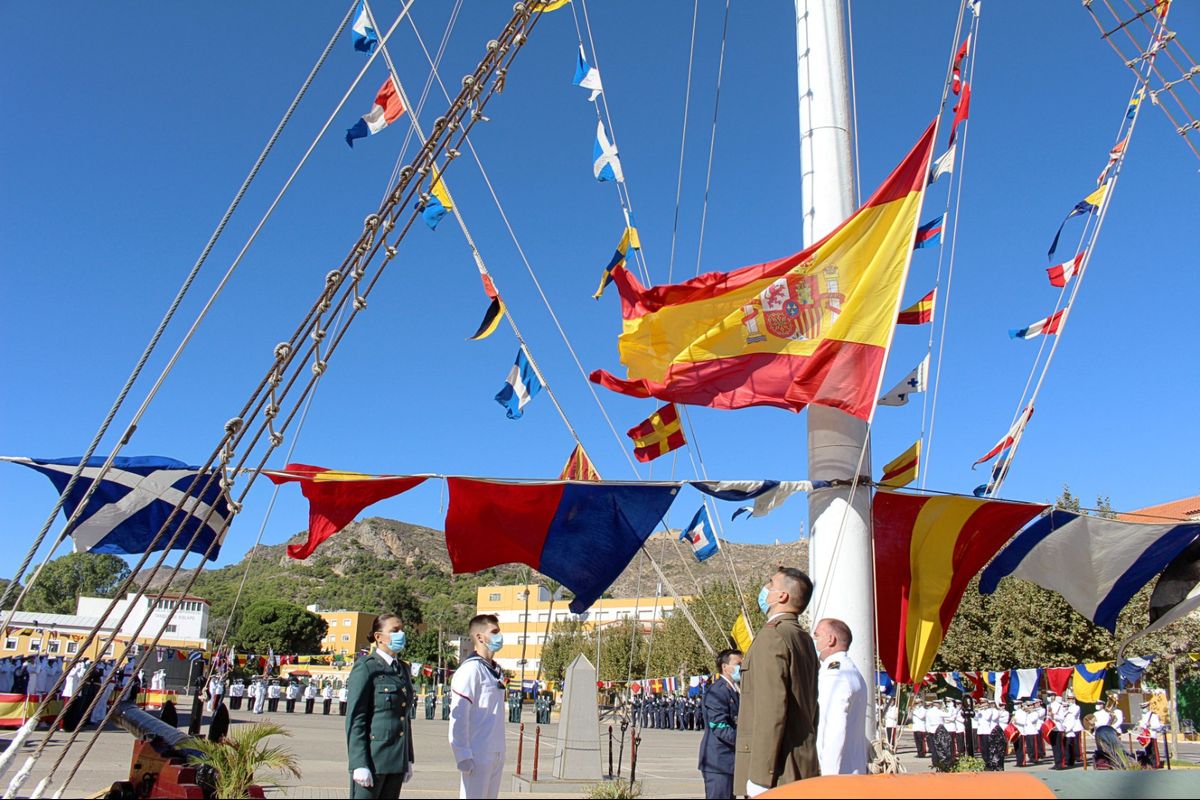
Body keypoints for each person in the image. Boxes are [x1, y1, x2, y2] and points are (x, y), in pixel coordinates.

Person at [733, 568, 820, 797]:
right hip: (801, 760)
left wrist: (761, 775)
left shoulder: (773, 636)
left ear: (782, 596)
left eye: (771, 584)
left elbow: (771, 710)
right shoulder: (802, 638)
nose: (765, 589)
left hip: (779, 770)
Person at [345, 613, 415, 799]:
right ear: (378, 637)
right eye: (395, 631)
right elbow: (356, 718)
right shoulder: (367, 667)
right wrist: (359, 762)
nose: (401, 634)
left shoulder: (403, 669)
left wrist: (407, 757)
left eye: (402, 630)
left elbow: (404, 717)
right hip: (372, 760)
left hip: (396, 760)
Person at [449, 614, 507, 800]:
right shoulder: (470, 670)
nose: (500, 637)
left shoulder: (493, 670)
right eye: (495, 632)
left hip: (496, 749)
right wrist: (462, 753)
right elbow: (458, 715)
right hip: (477, 751)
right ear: (480, 637)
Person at [814, 617, 868, 775]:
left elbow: (834, 728)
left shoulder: (835, 675)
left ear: (830, 640)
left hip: (838, 772)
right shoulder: (847, 670)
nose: (814, 641)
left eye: (817, 636)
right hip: (849, 768)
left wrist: (828, 775)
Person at [698, 648, 741, 799]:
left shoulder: (734, 689)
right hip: (718, 762)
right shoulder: (718, 691)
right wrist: (744, 741)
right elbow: (719, 726)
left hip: (730, 761)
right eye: (738, 664)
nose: (741, 668)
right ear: (725, 667)